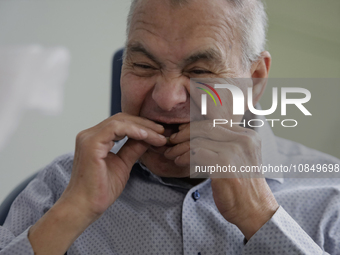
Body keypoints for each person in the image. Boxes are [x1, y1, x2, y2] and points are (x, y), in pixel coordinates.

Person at [1, 0, 340, 254]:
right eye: (144, 65)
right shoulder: (58, 188)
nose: (165, 98)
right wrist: (70, 215)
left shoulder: (332, 194)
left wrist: (262, 217)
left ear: (254, 79)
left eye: (200, 71)